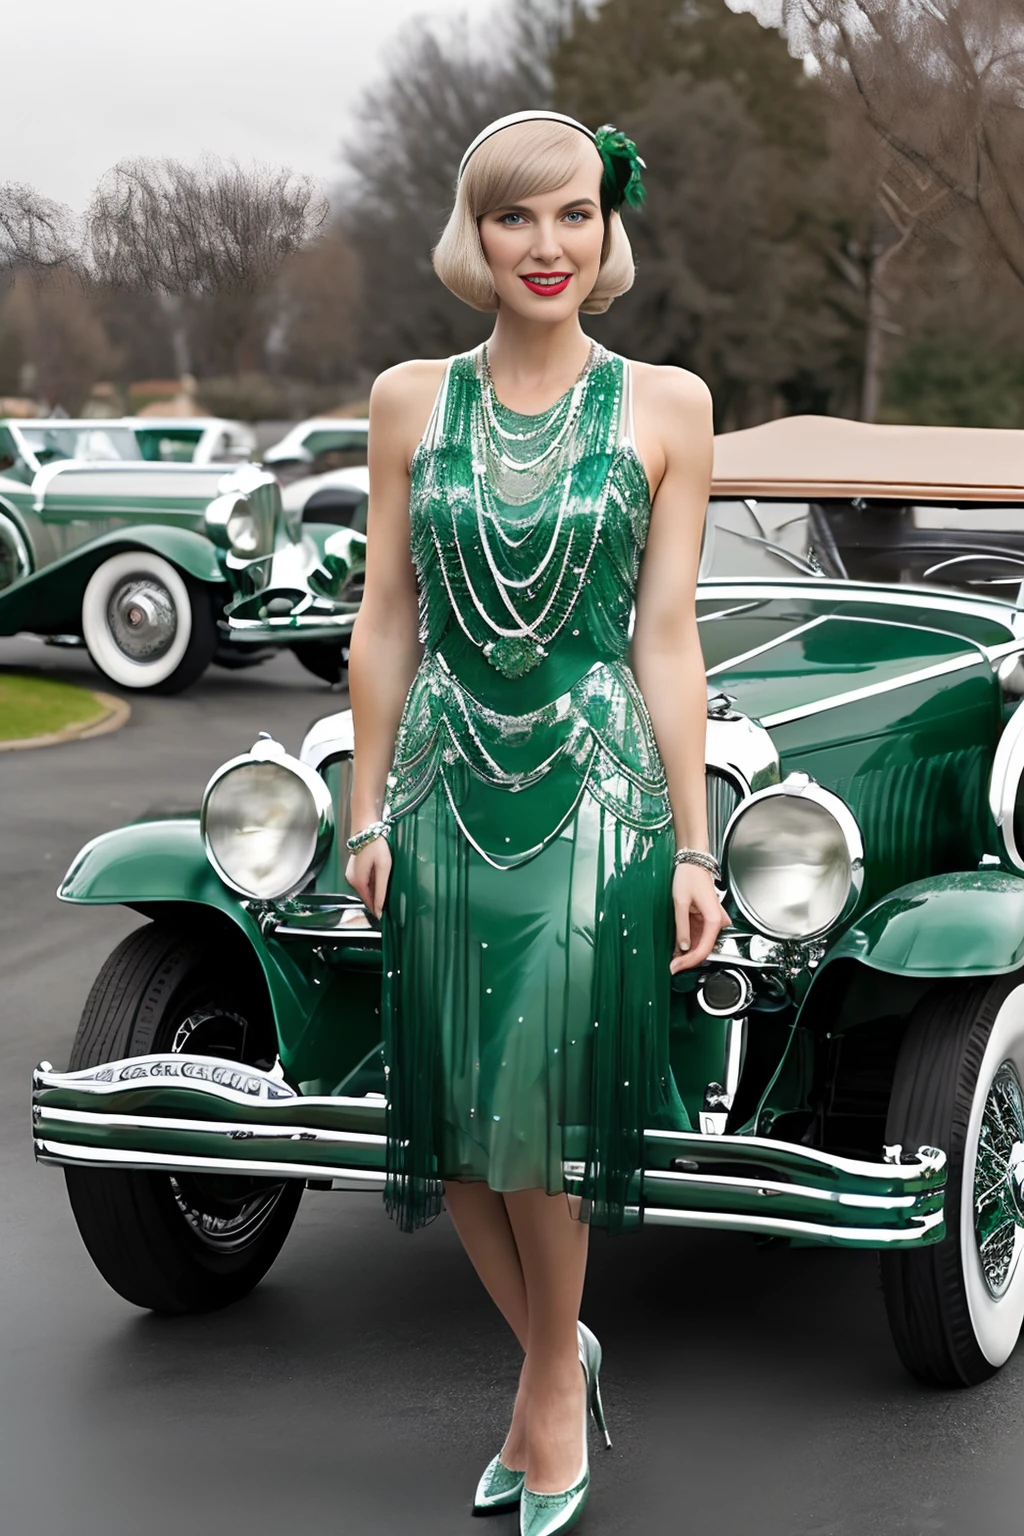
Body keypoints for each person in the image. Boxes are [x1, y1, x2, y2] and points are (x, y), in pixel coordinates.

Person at [345, 110, 727, 1535]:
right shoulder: (403, 400)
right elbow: (386, 618)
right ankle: (563, 1351)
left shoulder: (670, 405)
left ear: (607, 229)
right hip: (444, 787)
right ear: (476, 235)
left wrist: (694, 844)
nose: (546, 245)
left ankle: (551, 1399)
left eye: (574, 214)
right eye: (517, 218)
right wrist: (361, 805)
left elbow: (671, 637)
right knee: (451, 1127)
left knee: (539, 1110)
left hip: (596, 791)